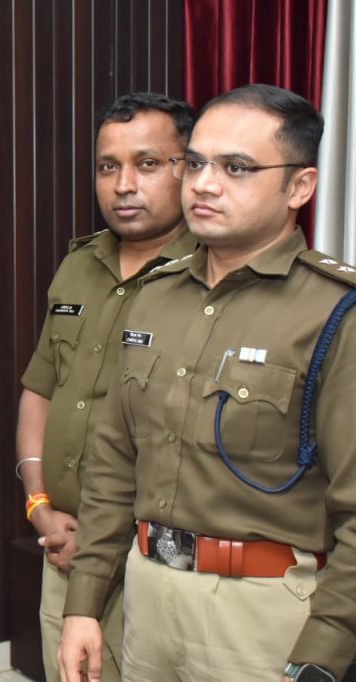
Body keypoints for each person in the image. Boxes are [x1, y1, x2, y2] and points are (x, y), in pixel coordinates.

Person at [59, 84, 356, 682]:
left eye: (236, 168)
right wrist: (84, 604)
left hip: (262, 614)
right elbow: (114, 463)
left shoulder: (334, 313)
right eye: (195, 163)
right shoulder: (155, 295)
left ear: (299, 186)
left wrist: (325, 651)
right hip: (147, 594)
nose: (204, 184)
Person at [16, 92, 196, 681]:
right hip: (64, 549)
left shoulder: (212, 277)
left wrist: (104, 540)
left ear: (190, 167)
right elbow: (41, 390)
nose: (123, 185)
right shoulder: (80, 264)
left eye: (148, 164)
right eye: (107, 166)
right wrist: (39, 505)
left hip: (158, 560)